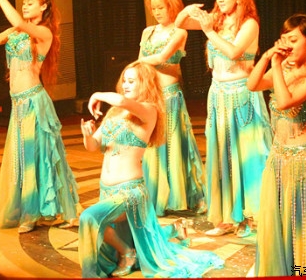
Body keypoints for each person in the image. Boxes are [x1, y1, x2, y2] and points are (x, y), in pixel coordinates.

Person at [78, 61, 224, 278]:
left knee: (88, 218)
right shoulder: (115, 112)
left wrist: (96, 94)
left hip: (129, 192)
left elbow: (121, 99)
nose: (125, 85)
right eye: (124, 80)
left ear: (145, 84)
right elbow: (93, 146)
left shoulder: (149, 111)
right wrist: (87, 135)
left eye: (131, 81)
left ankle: (123, 255)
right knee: (111, 227)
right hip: (106, 191)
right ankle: (173, 230)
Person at [175, 0, 271, 237]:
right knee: (222, 155)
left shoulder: (249, 24)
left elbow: (234, 52)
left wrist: (208, 31)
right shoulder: (216, 20)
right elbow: (179, 24)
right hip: (218, 94)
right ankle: (228, 216)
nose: (219, 0)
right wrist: (186, 10)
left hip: (241, 96)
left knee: (244, 155)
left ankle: (247, 218)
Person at [0, 0, 79, 234]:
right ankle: (29, 210)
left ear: (43, 7)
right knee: (22, 159)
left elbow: (19, 22)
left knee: (36, 159)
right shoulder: (16, 32)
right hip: (18, 105)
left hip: (34, 102)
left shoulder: (43, 32)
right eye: (23, 3)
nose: (24, 6)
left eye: (30, 3)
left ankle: (32, 214)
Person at [247, 13, 306, 276]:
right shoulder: (285, 69)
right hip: (278, 159)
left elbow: (286, 101)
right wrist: (267, 57)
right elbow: (252, 84)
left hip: (305, 163)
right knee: (280, 229)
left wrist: (277, 65)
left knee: (302, 231)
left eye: (293, 39)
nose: (287, 45)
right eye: (284, 39)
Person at [138, 0, 205, 216]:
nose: (157, 12)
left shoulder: (180, 32)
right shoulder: (147, 32)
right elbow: (142, 60)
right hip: (151, 95)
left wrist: (135, 64)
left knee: (172, 145)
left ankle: (176, 195)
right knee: (153, 146)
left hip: (169, 95)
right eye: (153, 8)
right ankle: (155, 194)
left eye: (161, 7)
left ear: (172, 7)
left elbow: (161, 57)